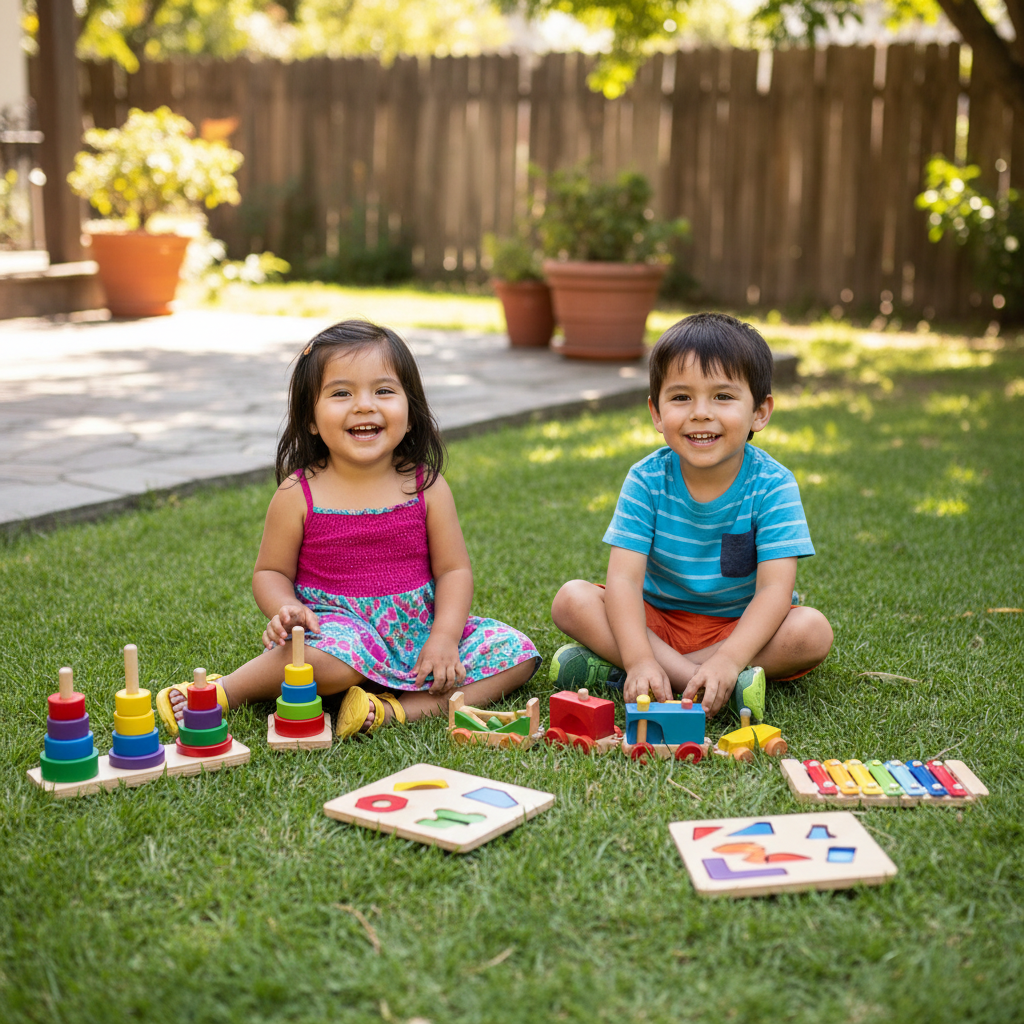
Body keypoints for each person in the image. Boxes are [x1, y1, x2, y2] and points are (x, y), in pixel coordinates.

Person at [157, 320, 540, 737]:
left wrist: (445, 638)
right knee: (324, 660)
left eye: (384, 391)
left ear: (410, 414)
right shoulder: (298, 493)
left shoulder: (426, 486)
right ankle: (221, 691)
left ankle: (391, 711)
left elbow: (454, 571)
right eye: (341, 393)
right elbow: (270, 573)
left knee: (516, 652)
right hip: (334, 632)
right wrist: (286, 610)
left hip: (419, 634)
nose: (364, 405)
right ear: (311, 420)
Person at [549, 312, 833, 718]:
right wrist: (639, 656)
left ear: (760, 412)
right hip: (656, 621)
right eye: (681, 397)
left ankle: (655, 676)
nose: (701, 412)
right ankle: (689, 681)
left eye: (723, 396)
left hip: (738, 626)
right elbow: (624, 582)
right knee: (572, 600)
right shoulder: (646, 480)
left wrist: (730, 658)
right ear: (657, 413)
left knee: (811, 631)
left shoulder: (773, 485)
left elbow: (773, 592)